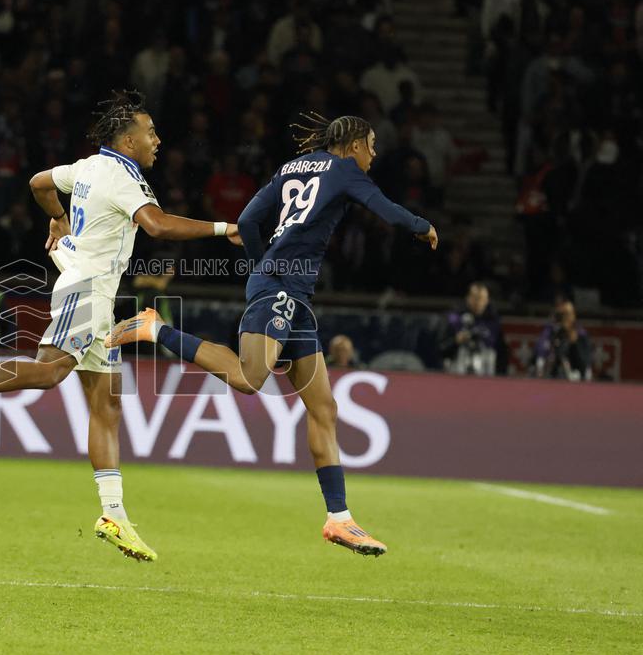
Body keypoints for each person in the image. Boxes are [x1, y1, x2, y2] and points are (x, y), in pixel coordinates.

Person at [0, 90, 241, 562]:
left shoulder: (86, 167)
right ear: (128, 140)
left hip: (97, 298)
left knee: (106, 405)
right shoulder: (124, 177)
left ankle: (114, 516)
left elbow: (38, 182)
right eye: (150, 133)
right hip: (87, 291)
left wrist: (58, 220)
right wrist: (222, 228)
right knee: (47, 372)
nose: (158, 140)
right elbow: (159, 226)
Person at [106, 112, 439, 557]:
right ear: (354, 144)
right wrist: (423, 225)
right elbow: (386, 211)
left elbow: (246, 221)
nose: (374, 153)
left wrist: (264, 264)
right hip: (283, 287)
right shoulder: (344, 171)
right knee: (249, 378)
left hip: (289, 291)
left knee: (323, 406)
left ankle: (340, 519)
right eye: (372, 144)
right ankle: (156, 328)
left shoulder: (291, 168)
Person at [440, 282, 500, 376]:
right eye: (476, 298)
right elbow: (441, 349)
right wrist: (456, 341)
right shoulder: (455, 318)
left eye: (483, 299)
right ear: (468, 298)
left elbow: (500, 349)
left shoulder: (492, 320)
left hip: (485, 370)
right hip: (457, 369)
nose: (479, 303)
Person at [535, 300, 592, 381]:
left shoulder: (580, 334)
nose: (568, 318)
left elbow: (585, 356)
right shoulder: (555, 331)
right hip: (556, 375)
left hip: (577, 373)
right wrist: (541, 361)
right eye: (564, 315)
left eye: (569, 314)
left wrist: (587, 369)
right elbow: (544, 347)